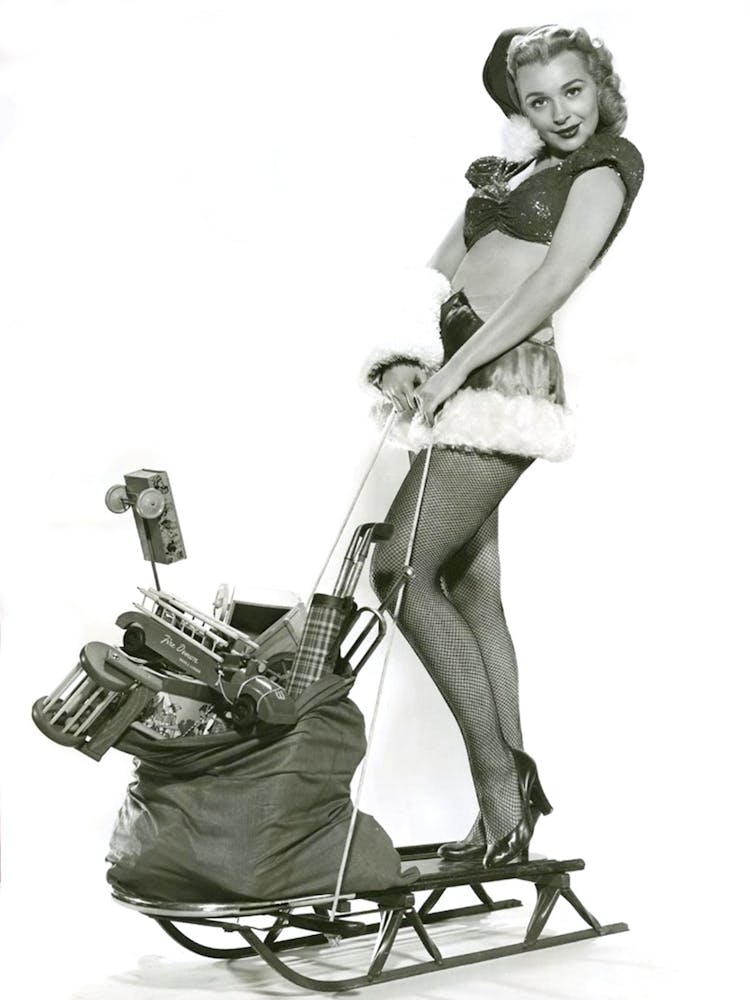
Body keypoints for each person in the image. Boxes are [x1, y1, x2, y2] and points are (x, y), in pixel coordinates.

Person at [365, 25, 644, 868]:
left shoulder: (605, 165)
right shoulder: (507, 173)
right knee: (471, 591)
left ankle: (500, 786)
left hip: (502, 386)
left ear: (599, 87)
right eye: (537, 99)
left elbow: (552, 281)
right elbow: (443, 271)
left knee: (399, 570)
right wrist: (407, 364)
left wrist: (457, 373)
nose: (560, 111)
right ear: (516, 108)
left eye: (573, 90)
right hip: (459, 378)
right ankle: (503, 816)